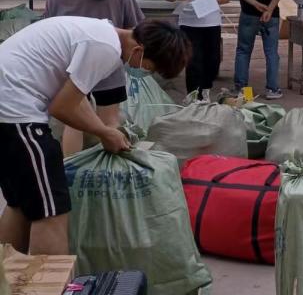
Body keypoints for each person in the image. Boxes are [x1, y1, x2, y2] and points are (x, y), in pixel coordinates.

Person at [0, 17, 189, 254]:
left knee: (20, 203)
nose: (144, 72)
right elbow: (62, 108)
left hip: (8, 109)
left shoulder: (100, 33)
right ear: (139, 50)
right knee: (51, 210)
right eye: (150, 68)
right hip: (16, 114)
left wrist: (104, 130)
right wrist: (104, 132)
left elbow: (74, 98)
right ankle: (48, 279)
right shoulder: (104, 47)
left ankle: (7, 273)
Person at [44, 0, 145, 154]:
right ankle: (111, 169)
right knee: (111, 123)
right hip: (109, 69)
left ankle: (71, 169)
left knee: (73, 124)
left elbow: (50, 29)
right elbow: (136, 29)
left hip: (71, 70)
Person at [165, 0, 232, 99]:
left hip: (211, 22)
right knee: (193, 60)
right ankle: (194, 96)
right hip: (189, 23)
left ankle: (206, 89)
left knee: (212, 60)